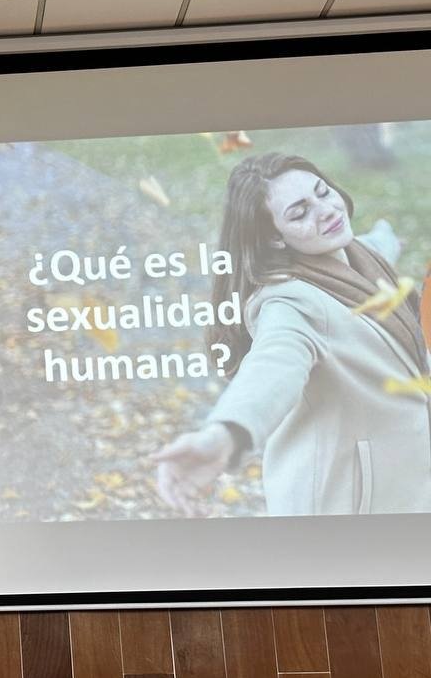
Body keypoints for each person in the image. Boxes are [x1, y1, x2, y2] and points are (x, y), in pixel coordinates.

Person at [151, 152, 431, 516]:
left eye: (322, 192)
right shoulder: (290, 303)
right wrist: (224, 436)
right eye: (299, 213)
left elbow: (378, 246)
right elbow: (273, 366)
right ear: (274, 239)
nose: (327, 210)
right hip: (343, 508)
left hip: (403, 487)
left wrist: (386, 235)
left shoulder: (358, 252)